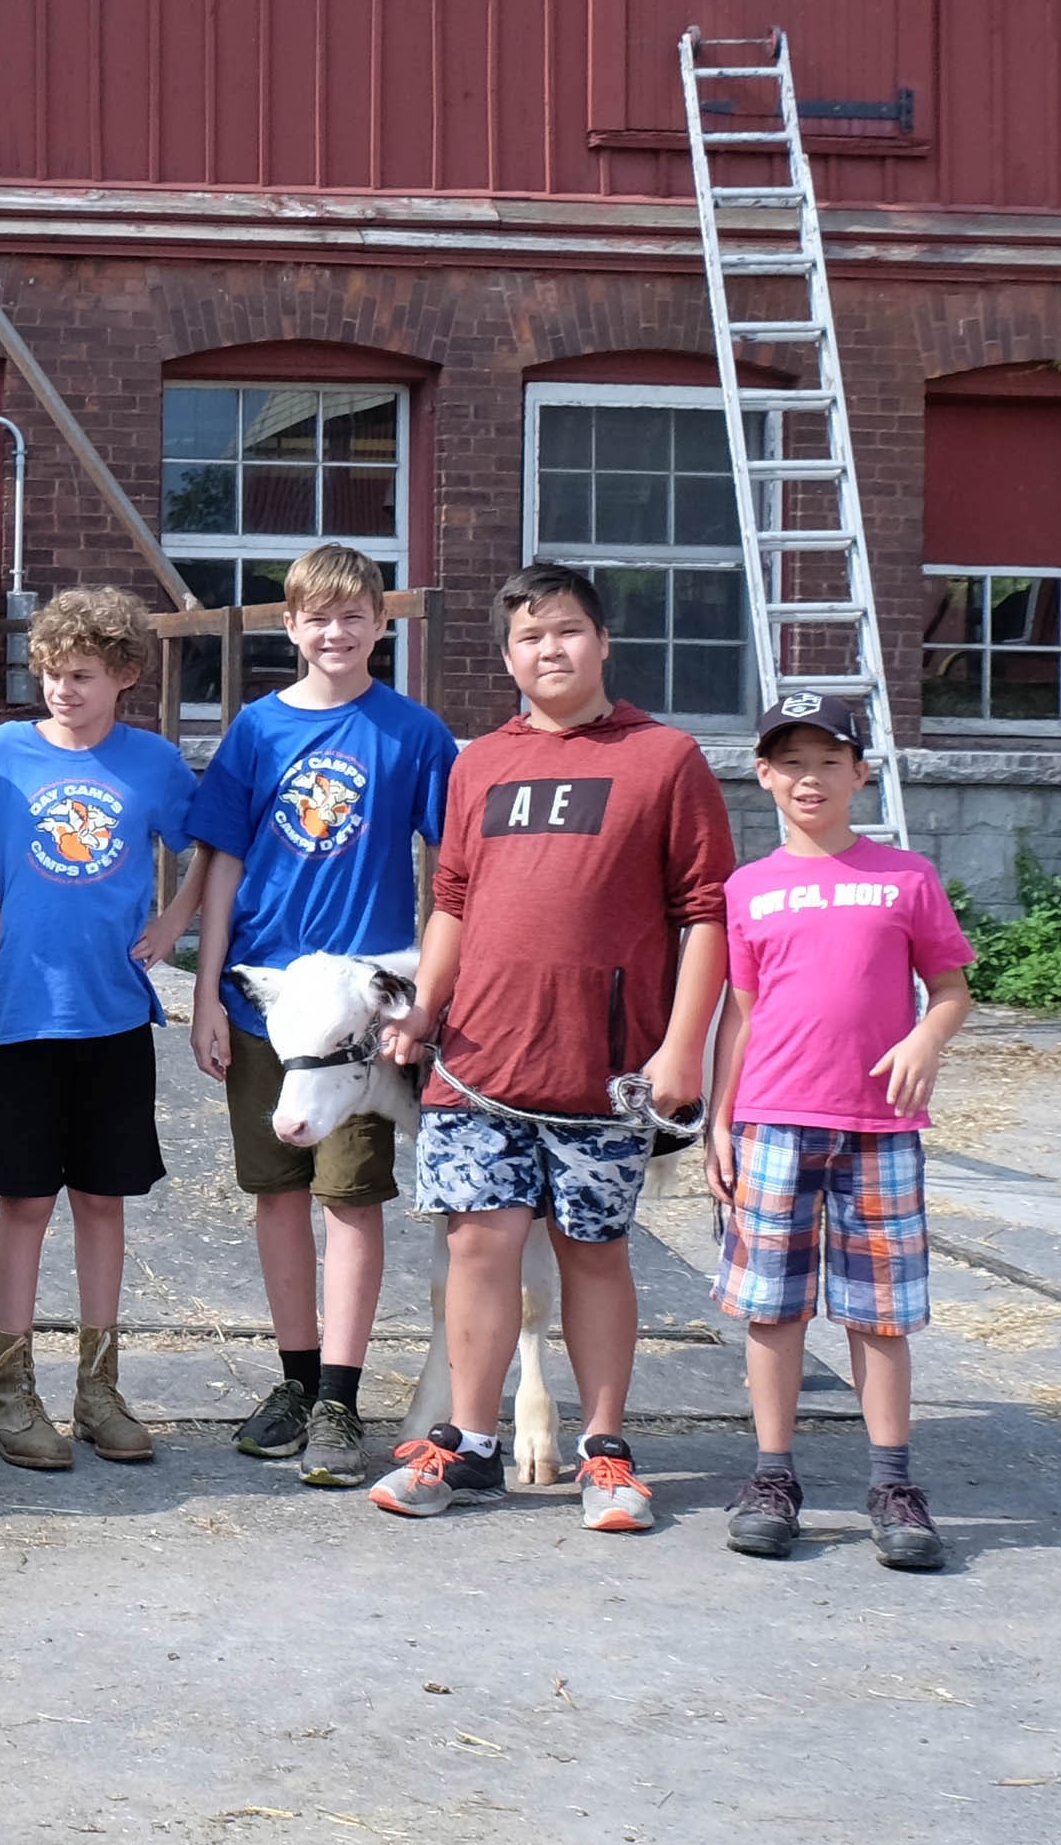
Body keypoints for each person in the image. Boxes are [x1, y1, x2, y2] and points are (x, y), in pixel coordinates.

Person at [373, 563, 728, 1532]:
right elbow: (452, 898)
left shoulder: (664, 759)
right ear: (507, 659)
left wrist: (684, 1046)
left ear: (603, 641)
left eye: (568, 631)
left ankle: (605, 1450)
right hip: (478, 1061)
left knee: (594, 1253)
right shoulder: (480, 762)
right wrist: (423, 1008)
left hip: (602, 1073)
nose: (551, 650)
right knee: (478, 1248)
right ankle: (468, 1441)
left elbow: (705, 913)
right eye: (531, 638)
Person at [185, 543, 455, 1489]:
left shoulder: (413, 733)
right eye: (315, 617)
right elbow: (220, 863)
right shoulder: (257, 731)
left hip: (361, 1010)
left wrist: (427, 992)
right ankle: (295, 1378)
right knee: (276, 1190)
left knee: (351, 1195)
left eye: (353, 616)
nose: (334, 634)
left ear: (382, 622)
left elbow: (452, 869)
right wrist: (205, 991)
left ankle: (342, 1394)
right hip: (266, 1000)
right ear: (289, 627)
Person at [0, 586, 200, 1475]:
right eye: (48, 673)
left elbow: (212, 846)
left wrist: (174, 921)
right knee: (25, 1201)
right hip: (28, 1018)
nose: (61, 690)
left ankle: (99, 1388)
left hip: (116, 1013)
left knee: (103, 1201)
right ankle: (10, 1391)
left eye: (80, 675)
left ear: (123, 676)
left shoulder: (153, 763)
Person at [707, 689, 968, 1572]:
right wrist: (720, 1119)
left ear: (860, 772)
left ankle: (893, 1481)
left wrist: (927, 1037)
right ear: (764, 775)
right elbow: (739, 1015)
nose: (809, 778)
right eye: (791, 762)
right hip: (774, 1120)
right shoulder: (747, 888)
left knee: (881, 1313)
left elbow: (953, 989)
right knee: (771, 1307)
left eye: (829, 761)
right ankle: (772, 1474)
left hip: (880, 1126)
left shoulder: (906, 877)